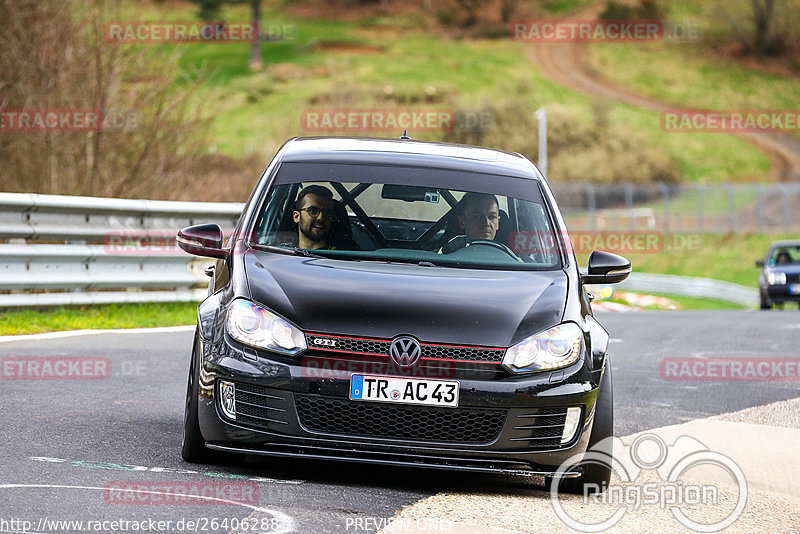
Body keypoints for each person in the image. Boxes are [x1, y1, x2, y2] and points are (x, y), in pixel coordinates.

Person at [292, 185, 337, 250]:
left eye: (327, 213)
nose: (320, 218)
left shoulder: (342, 257)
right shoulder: (281, 251)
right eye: (313, 211)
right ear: (296, 216)